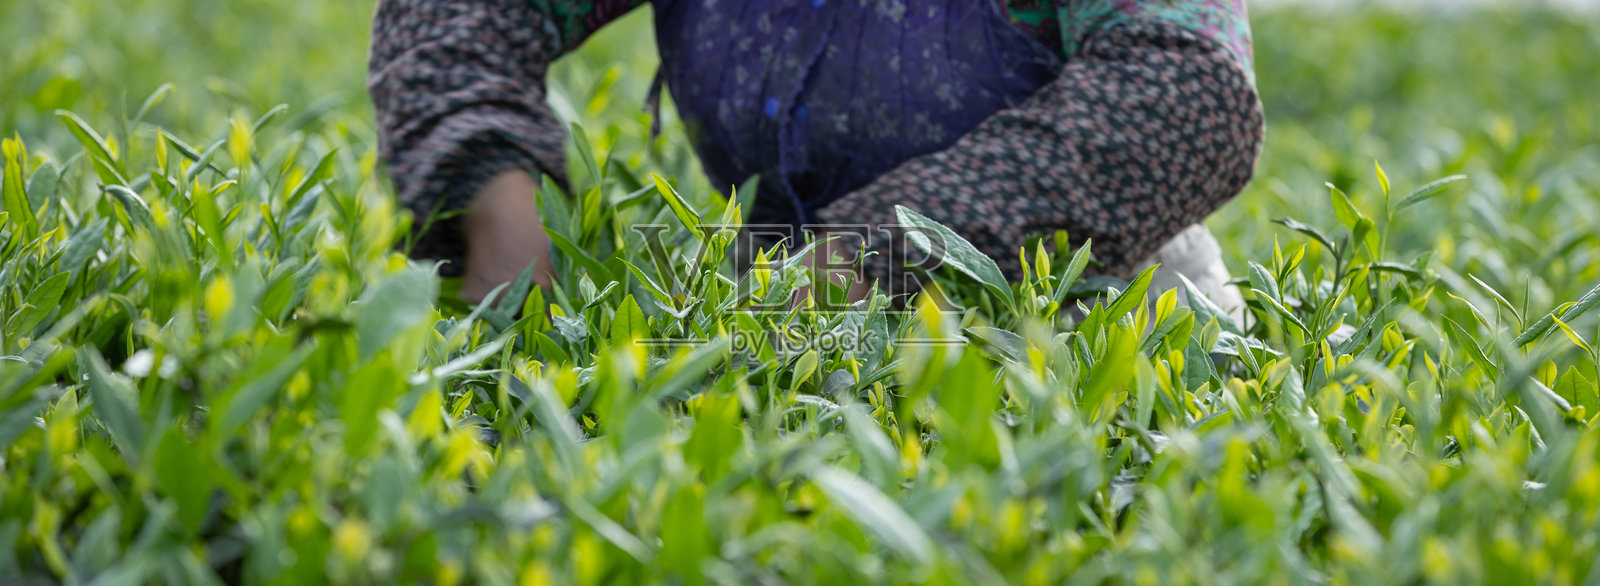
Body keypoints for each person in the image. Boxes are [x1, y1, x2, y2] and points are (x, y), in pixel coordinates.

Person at [367, 0, 1262, 313]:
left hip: (1103, 344)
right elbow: (457, 17)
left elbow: (1188, 95)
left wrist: (861, 263)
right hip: (779, 337)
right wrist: (495, 211)